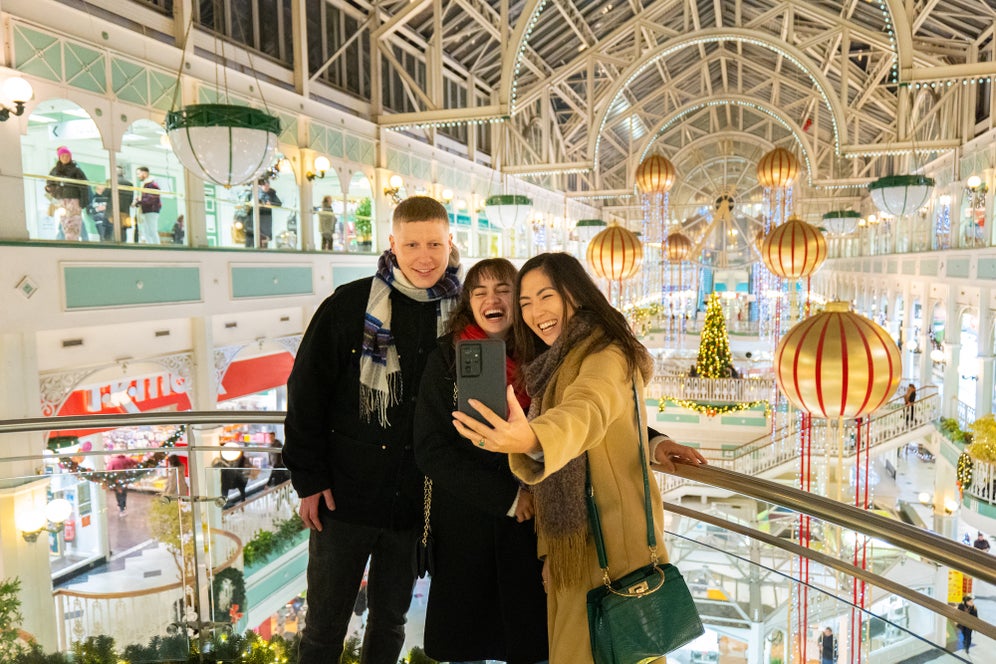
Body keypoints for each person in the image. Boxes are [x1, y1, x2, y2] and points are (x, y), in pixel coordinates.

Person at [450, 252, 706, 663]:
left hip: (613, 543)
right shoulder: (561, 358)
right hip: (576, 542)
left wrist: (532, 437)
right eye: (526, 303)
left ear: (575, 294)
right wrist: (653, 443)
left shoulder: (603, 354)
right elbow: (613, 421)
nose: (535, 312)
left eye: (545, 296)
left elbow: (587, 410)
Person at [283, 196, 461, 664]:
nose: (425, 256)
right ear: (392, 244)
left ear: (450, 244)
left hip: (413, 503)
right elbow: (307, 392)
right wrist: (310, 479)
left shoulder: (461, 315)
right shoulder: (350, 305)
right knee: (324, 625)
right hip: (343, 499)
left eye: (435, 244)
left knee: (391, 622)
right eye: (413, 244)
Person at [414, 258, 548, 664]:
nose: (492, 300)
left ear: (518, 299)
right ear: (468, 303)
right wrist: (508, 497)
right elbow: (430, 448)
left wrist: (653, 440)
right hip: (466, 526)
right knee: (467, 644)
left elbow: (585, 415)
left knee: (531, 642)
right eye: (479, 292)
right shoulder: (446, 359)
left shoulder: (545, 356)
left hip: (533, 528)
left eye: (503, 290)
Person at [46, 146, 90, 242]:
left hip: (74, 200)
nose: (65, 158)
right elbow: (49, 183)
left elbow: (84, 186)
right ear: (59, 157)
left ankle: (72, 242)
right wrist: (55, 193)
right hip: (61, 201)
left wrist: (83, 202)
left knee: (74, 223)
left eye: (67, 156)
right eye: (63, 156)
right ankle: (68, 241)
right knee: (64, 223)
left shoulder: (76, 170)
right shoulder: (55, 170)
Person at [247, 178, 281, 248]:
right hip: (255, 217)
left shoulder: (271, 194)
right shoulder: (255, 192)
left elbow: (278, 203)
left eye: (267, 185)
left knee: (264, 238)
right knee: (255, 236)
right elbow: (250, 203)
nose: (266, 187)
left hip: (266, 218)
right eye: (265, 185)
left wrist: (270, 203)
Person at [132, 166, 162, 244]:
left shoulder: (152, 184)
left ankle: (157, 248)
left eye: (138, 174)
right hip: (147, 210)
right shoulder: (147, 184)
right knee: (146, 231)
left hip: (151, 210)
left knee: (151, 231)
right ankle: (152, 247)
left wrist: (139, 202)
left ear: (144, 173)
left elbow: (151, 198)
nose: (137, 176)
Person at [105, 451, 138, 516]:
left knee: (118, 493)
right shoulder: (127, 459)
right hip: (124, 480)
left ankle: (120, 506)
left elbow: (108, 470)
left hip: (116, 480)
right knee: (124, 494)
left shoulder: (112, 461)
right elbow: (136, 462)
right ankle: (122, 508)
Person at [116, 165, 135, 242]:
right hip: (125, 210)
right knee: (123, 229)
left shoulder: (113, 182)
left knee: (115, 230)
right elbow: (131, 199)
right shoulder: (129, 184)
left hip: (115, 210)